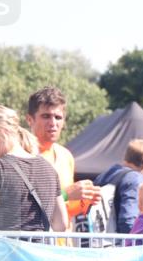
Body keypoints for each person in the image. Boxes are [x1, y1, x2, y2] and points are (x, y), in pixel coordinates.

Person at [0, 106, 67, 233]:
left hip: (6, 251)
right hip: (39, 251)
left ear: (3, 132)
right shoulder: (49, 169)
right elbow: (61, 224)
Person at [26, 87, 99, 220]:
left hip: (63, 240)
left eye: (58, 117)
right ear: (30, 120)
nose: (53, 123)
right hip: (31, 239)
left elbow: (65, 211)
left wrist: (85, 201)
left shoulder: (66, 156)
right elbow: (22, 208)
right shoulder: (21, 155)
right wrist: (65, 194)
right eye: (46, 116)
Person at [93, 138, 143, 234]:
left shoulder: (106, 173)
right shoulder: (135, 179)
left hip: (97, 236)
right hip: (118, 242)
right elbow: (128, 220)